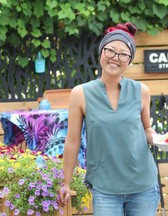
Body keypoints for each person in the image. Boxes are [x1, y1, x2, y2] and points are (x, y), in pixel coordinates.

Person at [59, 22, 160, 216]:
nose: (116, 58)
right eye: (111, 51)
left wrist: (156, 138)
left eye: (124, 54)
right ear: (101, 53)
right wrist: (66, 182)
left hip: (143, 186)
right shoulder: (80, 93)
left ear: (129, 61)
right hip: (105, 188)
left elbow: (147, 129)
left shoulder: (142, 91)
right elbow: (72, 141)